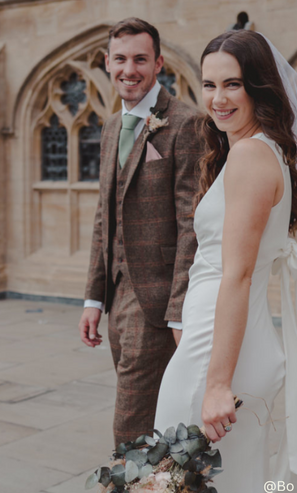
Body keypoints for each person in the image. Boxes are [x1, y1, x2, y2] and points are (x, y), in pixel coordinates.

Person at [154, 30, 297, 493]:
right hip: (226, 335)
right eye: (209, 85)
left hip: (217, 348)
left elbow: (238, 275)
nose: (218, 98)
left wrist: (216, 385)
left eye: (233, 84)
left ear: (259, 87)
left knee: (177, 481)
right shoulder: (259, 150)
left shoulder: (251, 156)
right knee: (218, 485)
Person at [79, 18, 201, 447]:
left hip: (156, 305)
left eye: (140, 59)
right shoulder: (112, 126)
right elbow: (104, 216)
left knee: (129, 431)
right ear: (107, 63)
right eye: (120, 59)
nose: (128, 69)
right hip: (117, 300)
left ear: (159, 63)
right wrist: (94, 298)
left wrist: (178, 310)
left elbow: (192, 224)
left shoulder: (186, 124)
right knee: (150, 426)